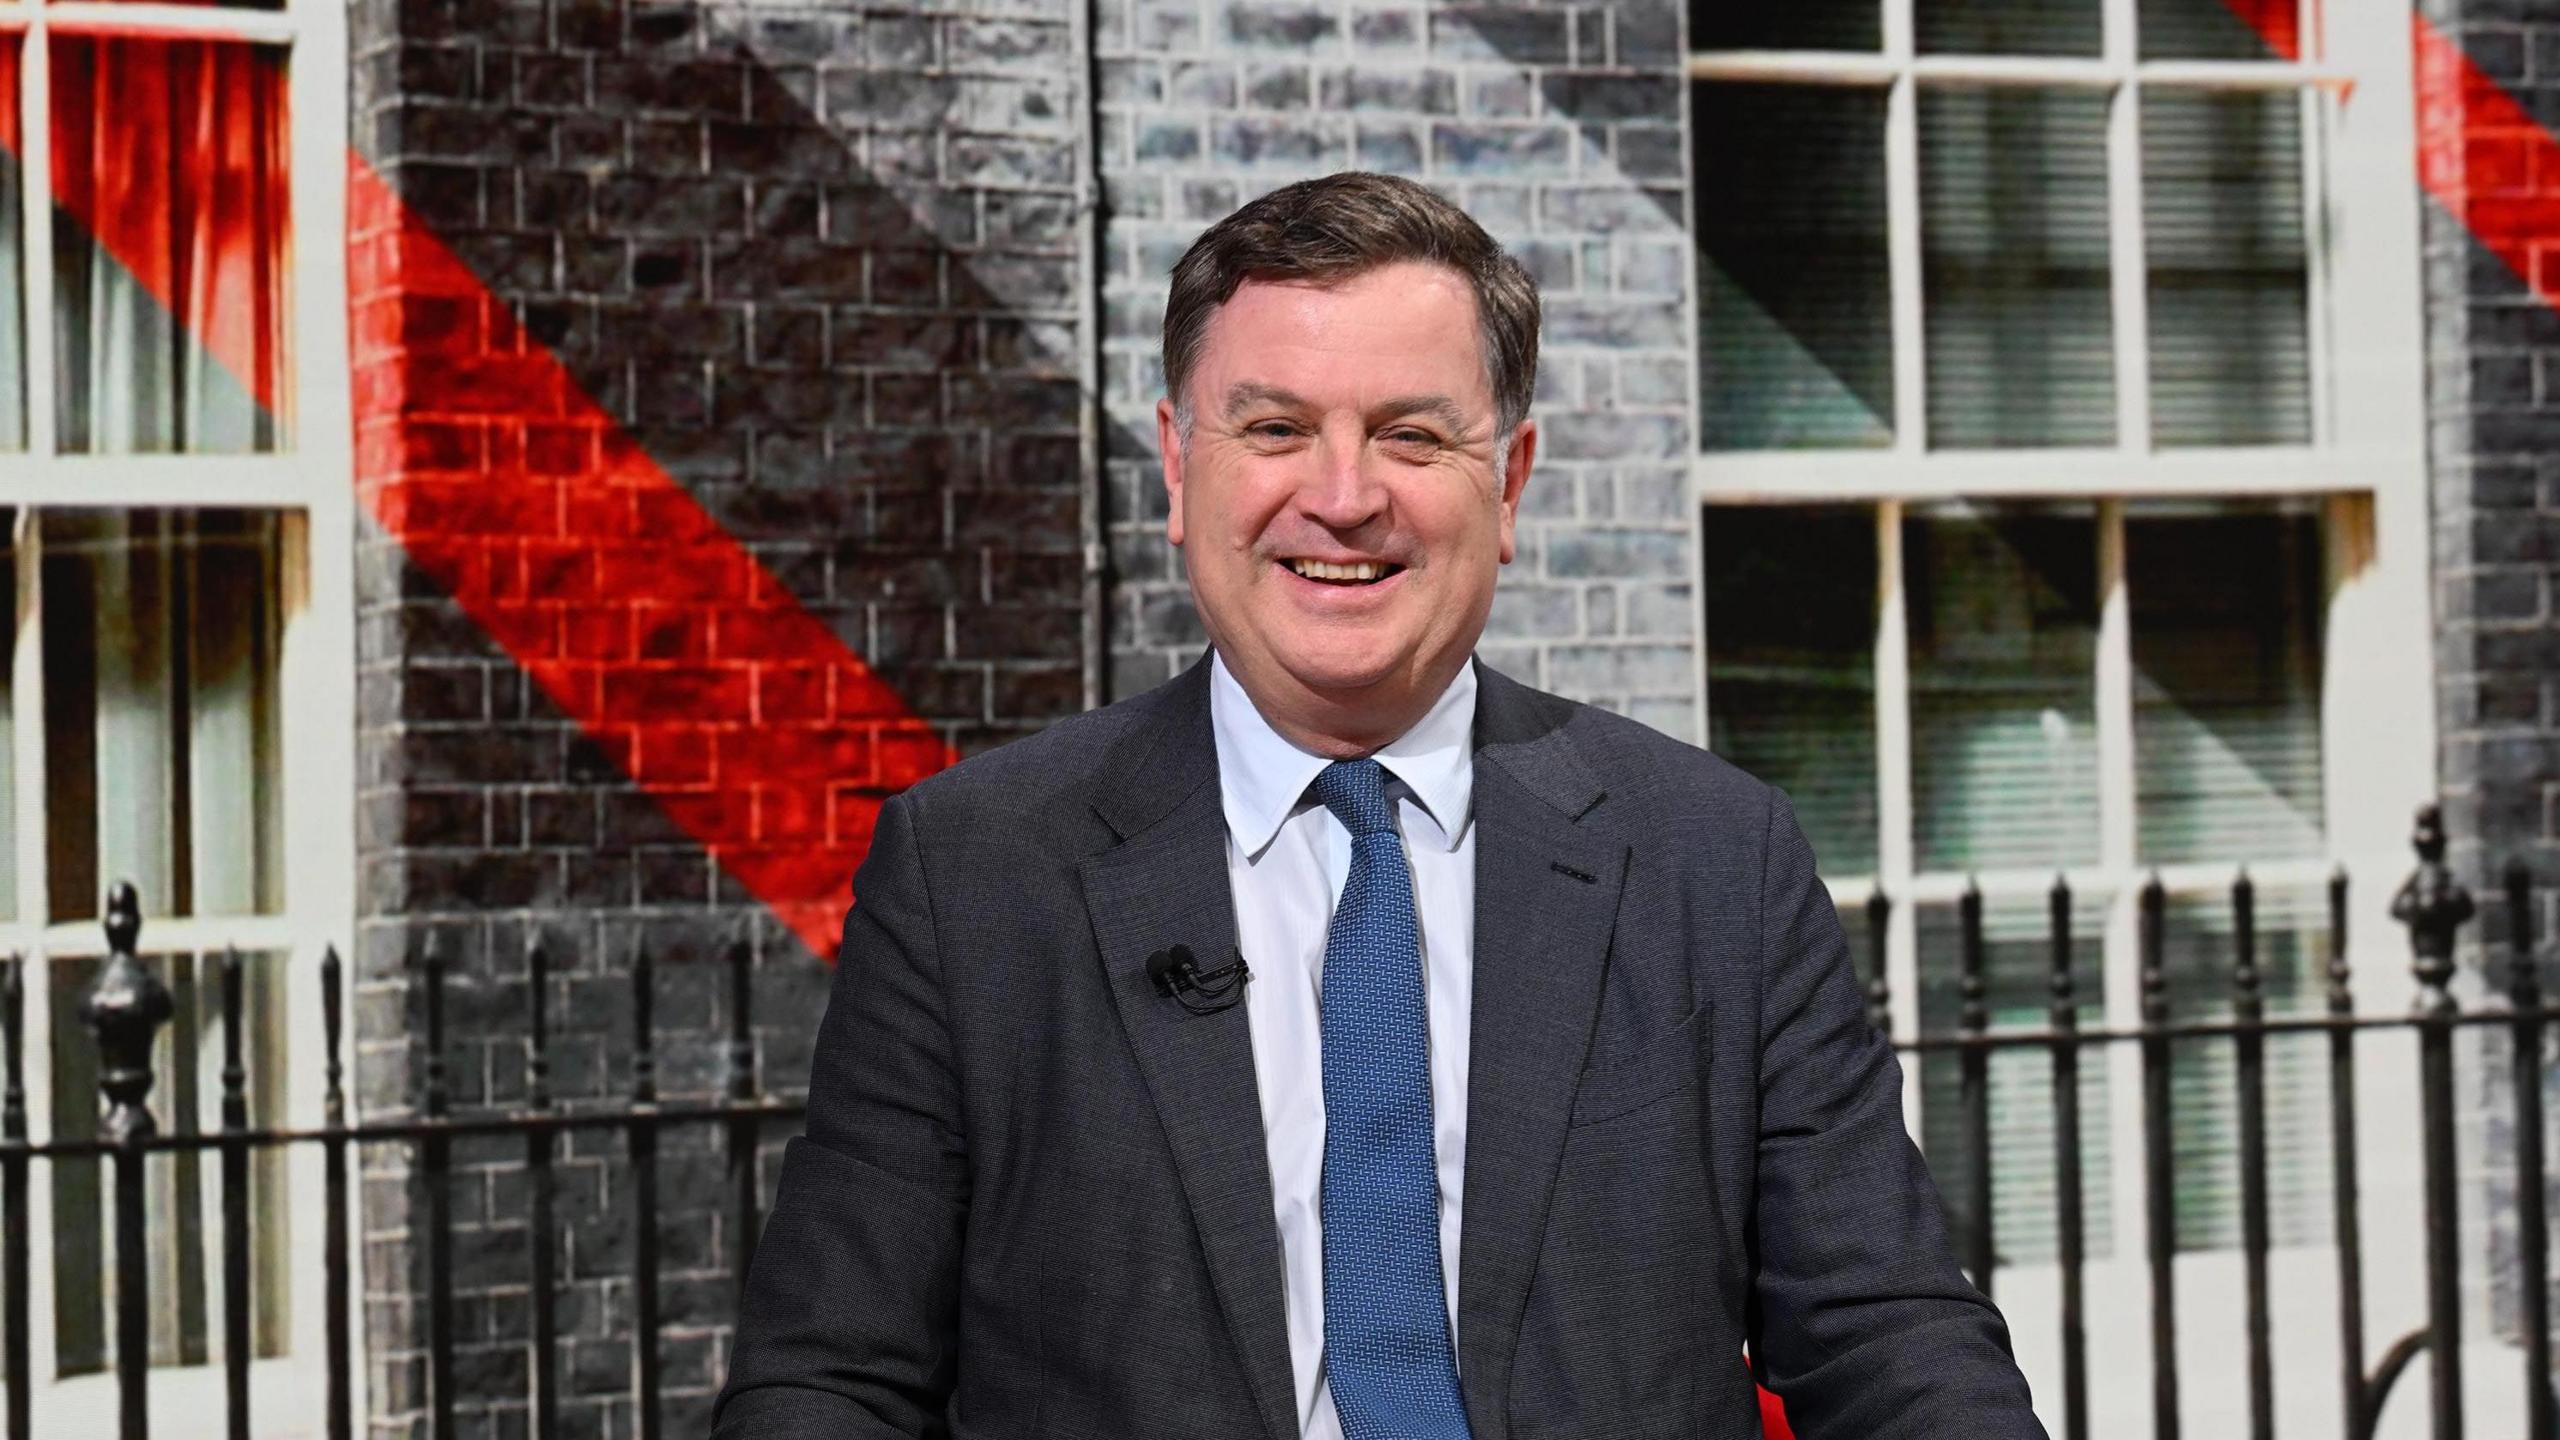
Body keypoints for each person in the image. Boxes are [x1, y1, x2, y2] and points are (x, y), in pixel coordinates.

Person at [713, 171, 2045, 1439]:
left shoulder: (1714, 858)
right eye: (1277, 428)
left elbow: (1887, 1336)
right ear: (1179, 470)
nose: (1342, 500)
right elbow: (830, 1381)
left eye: (1411, 434)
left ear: (1510, 482)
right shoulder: (973, 874)